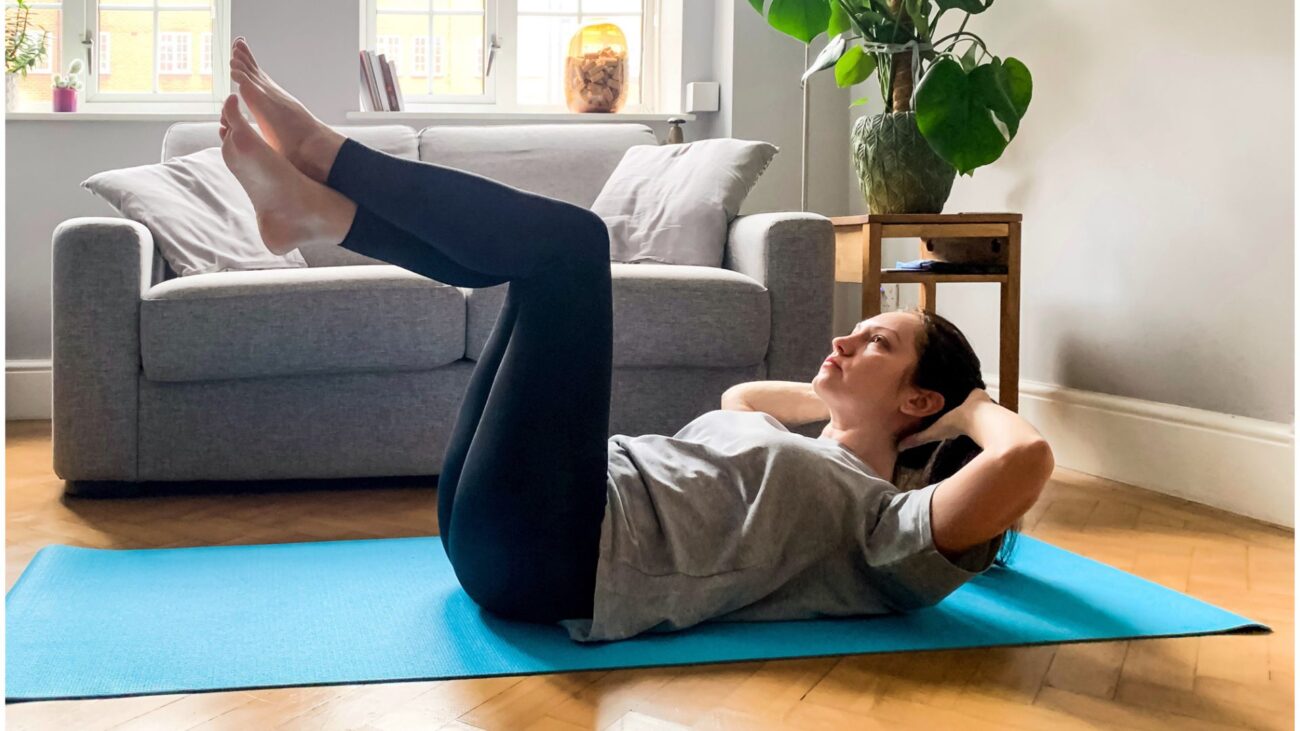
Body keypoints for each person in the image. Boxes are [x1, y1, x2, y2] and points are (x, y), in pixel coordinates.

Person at [219, 37, 1055, 643]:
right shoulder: (799, 447)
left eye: (876, 343)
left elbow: (1027, 460)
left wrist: (970, 407)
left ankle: (327, 164)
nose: (843, 335)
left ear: (921, 398)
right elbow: (743, 398)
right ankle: (322, 214)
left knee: (572, 248)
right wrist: (842, 395)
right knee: (526, 268)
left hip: (556, 555)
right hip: (507, 522)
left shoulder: (883, 522)